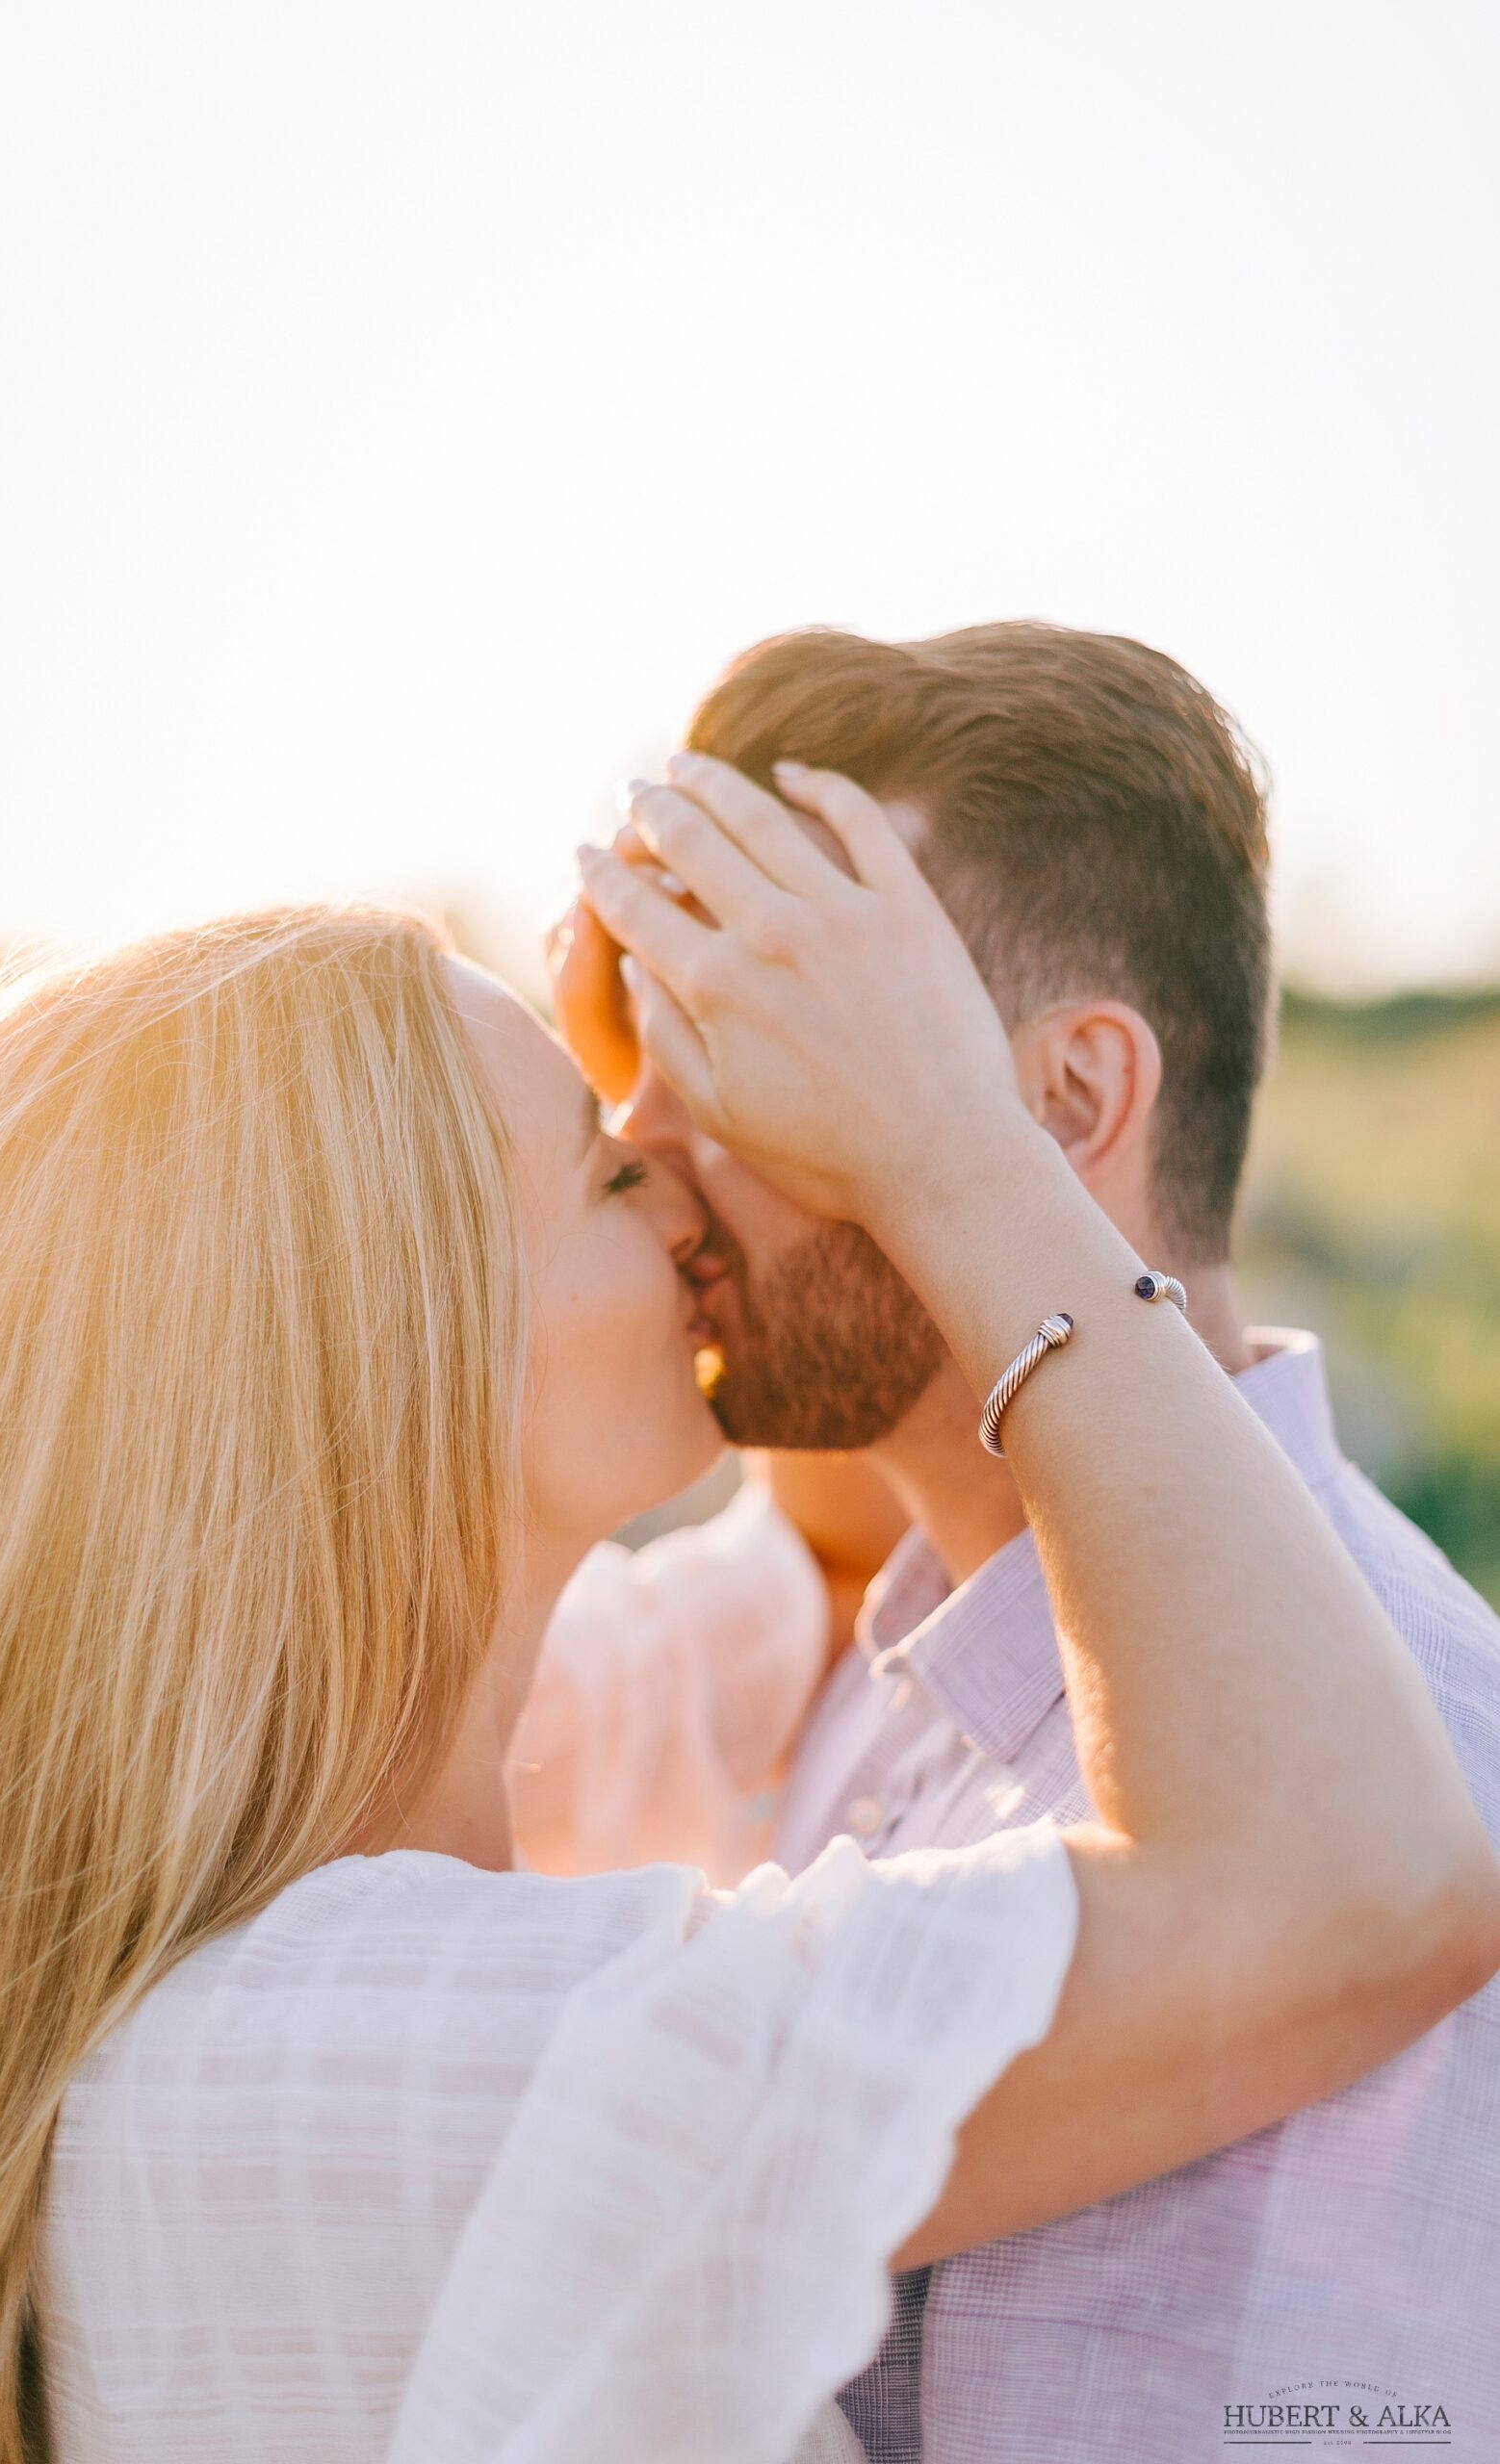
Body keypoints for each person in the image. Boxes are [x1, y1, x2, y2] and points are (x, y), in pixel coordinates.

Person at [0, 872, 1494, 2464]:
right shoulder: (356, 2066)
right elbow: (1350, 1883)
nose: (682, 1192)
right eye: (608, 1174)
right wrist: (953, 1141)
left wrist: (704, 1112)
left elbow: (821, 1575)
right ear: (413, 1348)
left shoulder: (345, 1805)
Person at [558, 622, 1500, 2461]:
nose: (647, 1145)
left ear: (1067, 1102)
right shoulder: (899, 1655)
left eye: (761, 1041)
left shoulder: (1403, 1790)